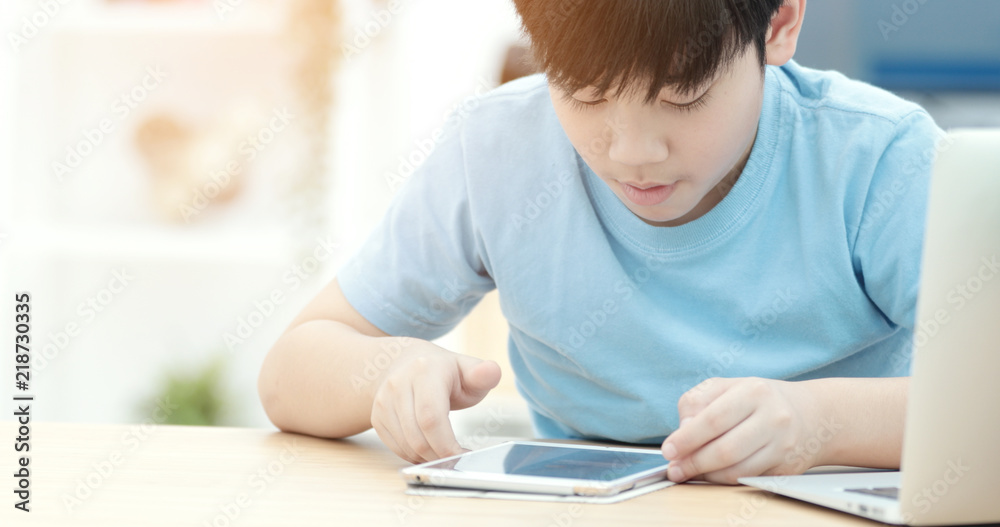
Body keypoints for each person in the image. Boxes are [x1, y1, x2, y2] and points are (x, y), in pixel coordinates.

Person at [258, 0, 945, 484]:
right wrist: (384, 373)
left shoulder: (879, 162)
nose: (632, 151)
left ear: (780, 22)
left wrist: (815, 422)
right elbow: (289, 371)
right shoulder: (498, 152)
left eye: (682, 94)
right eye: (585, 94)